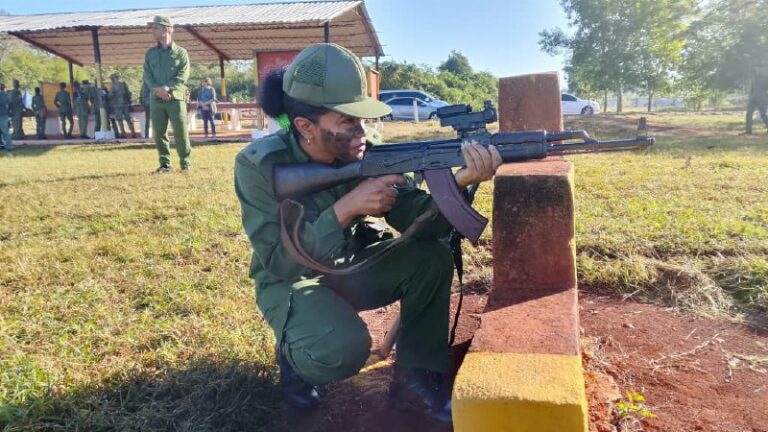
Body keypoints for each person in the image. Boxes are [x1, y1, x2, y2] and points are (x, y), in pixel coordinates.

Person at [234, 43, 501, 424]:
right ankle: (296, 357)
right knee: (342, 349)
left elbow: (424, 226)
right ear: (305, 127)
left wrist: (459, 182)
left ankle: (416, 382)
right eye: (348, 122)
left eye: (363, 121)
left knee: (430, 259)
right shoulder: (260, 166)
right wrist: (347, 207)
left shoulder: (369, 156)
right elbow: (278, 261)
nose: (362, 132)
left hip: (348, 266)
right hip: (290, 282)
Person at [143, 15, 191, 173]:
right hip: (156, 98)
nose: (152, 30)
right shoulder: (150, 53)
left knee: (180, 132)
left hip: (175, 98)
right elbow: (147, 75)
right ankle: (165, 164)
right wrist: (158, 90)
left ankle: (185, 163)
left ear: (166, 29)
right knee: (159, 133)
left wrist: (167, 88)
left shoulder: (181, 53)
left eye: (155, 27)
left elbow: (183, 74)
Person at [109, 73, 137, 138]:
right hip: (125, 104)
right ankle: (133, 133)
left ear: (114, 78)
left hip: (117, 105)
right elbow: (128, 94)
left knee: (119, 119)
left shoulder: (114, 86)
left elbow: (110, 95)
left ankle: (123, 134)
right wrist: (129, 102)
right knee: (128, 119)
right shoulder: (123, 84)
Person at [0, 83, 12, 150]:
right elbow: (9, 104)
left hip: (2, 115)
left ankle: (7, 146)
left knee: (4, 131)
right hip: (4, 115)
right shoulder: (6, 95)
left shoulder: (3, 94)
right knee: (5, 131)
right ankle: (6, 145)